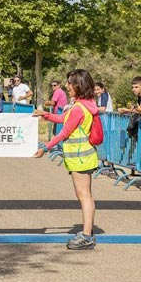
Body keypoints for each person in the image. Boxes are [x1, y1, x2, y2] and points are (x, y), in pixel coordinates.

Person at [33, 69, 100, 250]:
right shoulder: (83, 104)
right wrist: (45, 115)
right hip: (82, 155)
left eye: (70, 83)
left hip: (80, 156)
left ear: (79, 85)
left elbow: (64, 132)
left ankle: (87, 236)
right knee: (85, 194)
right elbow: (64, 119)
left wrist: (44, 148)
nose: (68, 86)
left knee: (84, 195)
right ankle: (88, 232)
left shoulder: (79, 107)